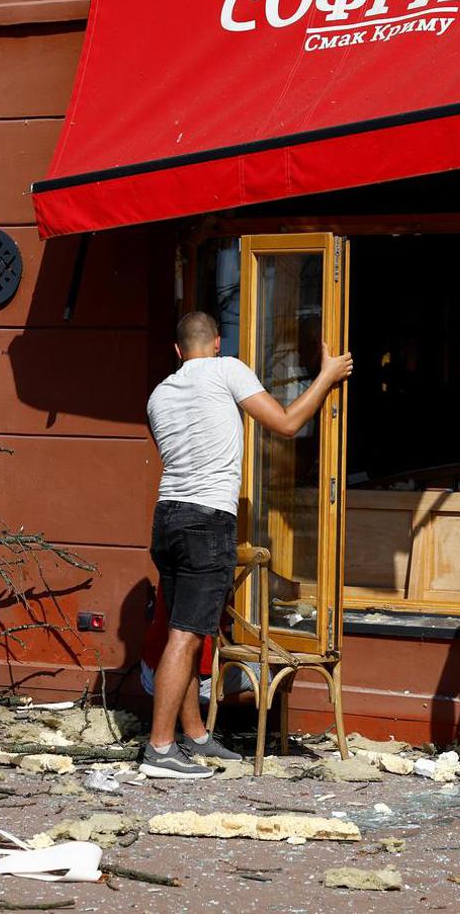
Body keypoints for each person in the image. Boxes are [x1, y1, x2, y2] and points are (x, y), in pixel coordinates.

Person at [139, 311, 353, 778]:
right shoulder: (227, 369)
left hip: (168, 516)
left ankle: (194, 736)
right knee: (187, 634)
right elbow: (288, 423)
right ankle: (159, 749)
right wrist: (327, 375)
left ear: (178, 351)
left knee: (186, 626)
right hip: (207, 518)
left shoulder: (159, 394)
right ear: (216, 342)